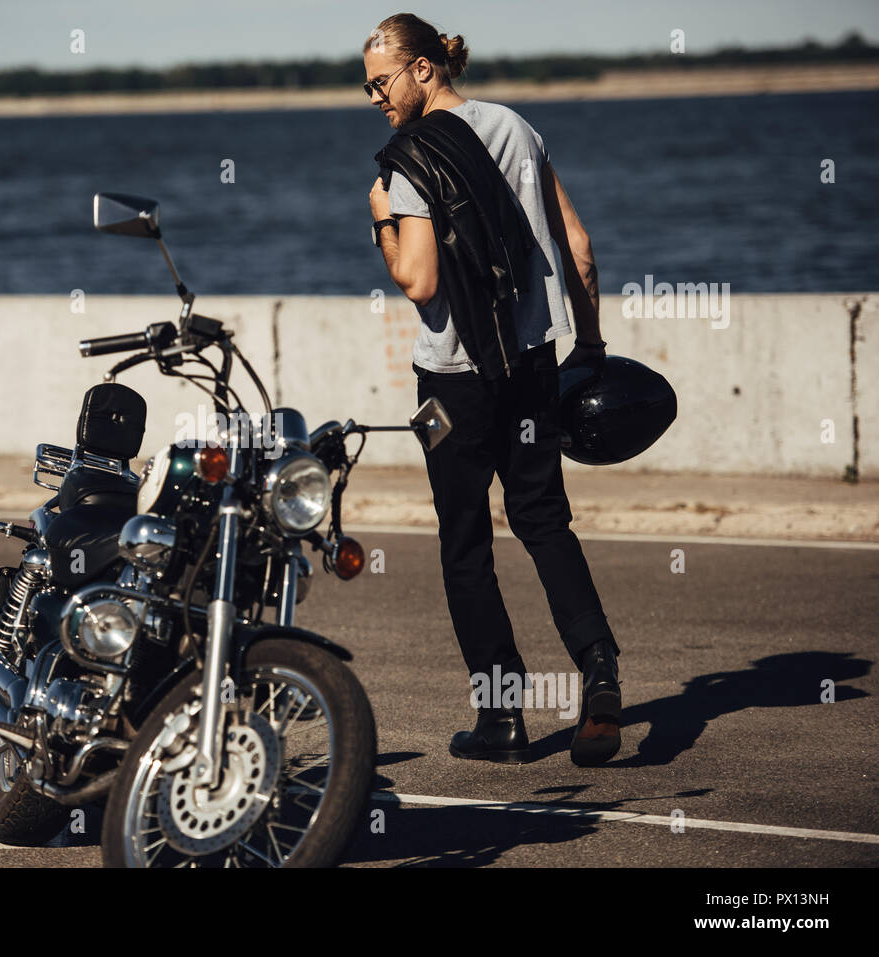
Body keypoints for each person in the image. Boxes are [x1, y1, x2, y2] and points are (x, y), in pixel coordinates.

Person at [365, 12, 622, 766]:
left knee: (466, 542)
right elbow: (577, 246)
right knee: (543, 521)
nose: (375, 97)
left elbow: (418, 278)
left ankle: (502, 717)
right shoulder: (515, 126)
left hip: (453, 384)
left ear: (423, 70)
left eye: (382, 82)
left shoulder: (407, 159)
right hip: (534, 365)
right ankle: (599, 671)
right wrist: (593, 342)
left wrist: (382, 220)